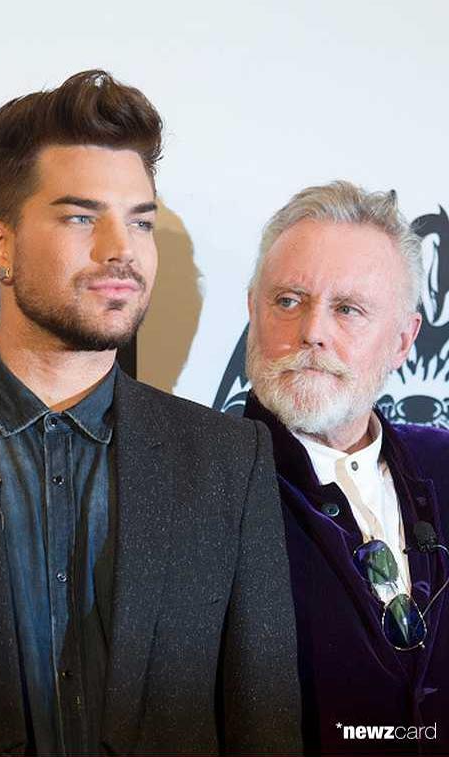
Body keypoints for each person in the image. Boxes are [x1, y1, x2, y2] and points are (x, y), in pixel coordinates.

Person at [0, 70, 302, 756]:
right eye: (82, 216)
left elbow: (267, 728)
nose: (122, 248)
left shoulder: (229, 462)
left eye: (140, 220)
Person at [244, 180, 449, 755]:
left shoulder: (442, 462)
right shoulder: (205, 484)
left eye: (348, 310)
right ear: (252, 311)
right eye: (288, 300)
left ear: (404, 340)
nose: (312, 332)